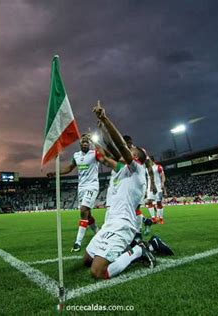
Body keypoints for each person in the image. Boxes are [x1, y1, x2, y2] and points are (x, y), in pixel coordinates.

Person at [84, 101, 155, 279]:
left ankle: (139, 250)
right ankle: (124, 247)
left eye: (132, 150)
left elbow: (120, 146)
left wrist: (105, 119)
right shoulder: (122, 170)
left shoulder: (137, 170)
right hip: (110, 223)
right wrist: (99, 132)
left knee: (97, 272)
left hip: (124, 224)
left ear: (137, 157)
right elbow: (108, 152)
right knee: (86, 260)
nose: (128, 149)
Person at [47, 135, 101, 252]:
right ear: (80, 144)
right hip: (81, 187)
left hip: (92, 186)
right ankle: (98, 232)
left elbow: (104, 155)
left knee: (82, 210)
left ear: (89, 143)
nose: (85, 144)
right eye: (83, 142)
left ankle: (78, 242)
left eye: (87, 142)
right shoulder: (76, 155)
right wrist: (56, 173)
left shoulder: (94, 153)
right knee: (88, 214)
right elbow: (69, 168)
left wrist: (94, 141)